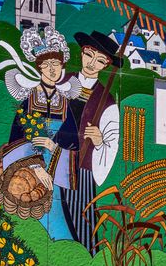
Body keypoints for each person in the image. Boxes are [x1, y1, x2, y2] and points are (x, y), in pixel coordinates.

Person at [0, 27, 80, 240]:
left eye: (56, 64)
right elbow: (15, 140)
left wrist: (54, 148)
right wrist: (35, 166)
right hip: (28, 168)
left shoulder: (65, 103)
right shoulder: (28, 101)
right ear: (39, 68)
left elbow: (75, 144)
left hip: (56, 166)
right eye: (47, 64)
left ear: (62, 67)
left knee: (59, 220)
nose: (52, 69)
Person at [51, 31, 121, 252]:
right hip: (51, 155)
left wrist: (100, 141)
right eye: (89, 55)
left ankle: (88, 255)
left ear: (106, 65)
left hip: (81, 167)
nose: (92, 63)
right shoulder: (61, 82)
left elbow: (112, 139)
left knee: (82, 217)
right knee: (53, 211)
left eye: (100, 61)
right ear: (82, 53)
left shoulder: (107, 101)